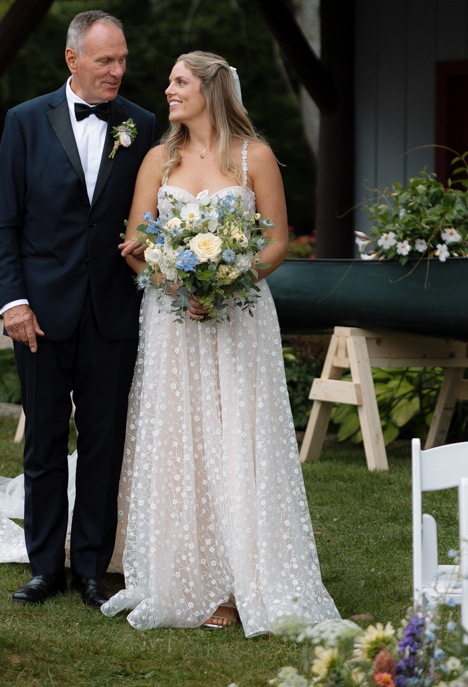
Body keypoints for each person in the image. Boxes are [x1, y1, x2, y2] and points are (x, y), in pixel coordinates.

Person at [101, 50, 338, 634]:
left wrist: (229, 280)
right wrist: (177, 285)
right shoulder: (158, 158)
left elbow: (277, 243)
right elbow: (135, 243)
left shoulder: (254, 157)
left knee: (239, 439)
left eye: (179, 81)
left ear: (211, 88)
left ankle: (240, 585)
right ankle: (182, 577)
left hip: (240, 319)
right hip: (173, 322)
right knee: (182, 439)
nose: (168, 89)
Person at [0, 10, 159, 609]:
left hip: (112, 311)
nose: (116, 71)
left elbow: (152, 216)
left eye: (122, 60)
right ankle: (43, 566)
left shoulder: (142, 124)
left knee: (105, 443)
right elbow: (2, 224)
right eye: (105, 60)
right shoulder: (25, 122)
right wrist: (13, 302)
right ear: (72, 59)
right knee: (44, 443)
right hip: (39, 314)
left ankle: (90, 566)